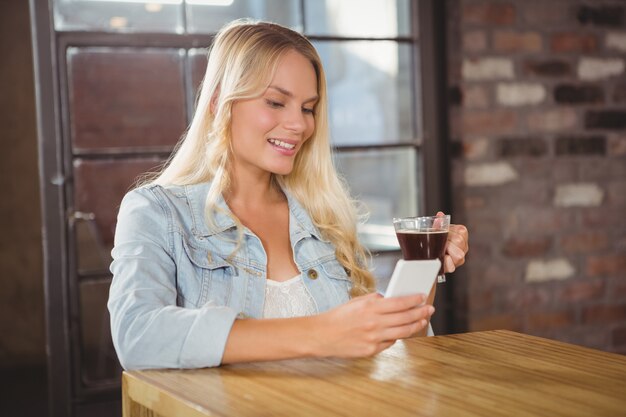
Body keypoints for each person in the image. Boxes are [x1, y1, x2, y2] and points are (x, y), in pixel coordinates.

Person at [108, 19, 469, 370]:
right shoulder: (156, 213)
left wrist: (425, 266)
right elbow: (138, 336)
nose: (299, 124)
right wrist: (320, 334)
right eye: (276, 103)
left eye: (308, 108)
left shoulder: (321, 217)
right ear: (220, 102)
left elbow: (395, 354)